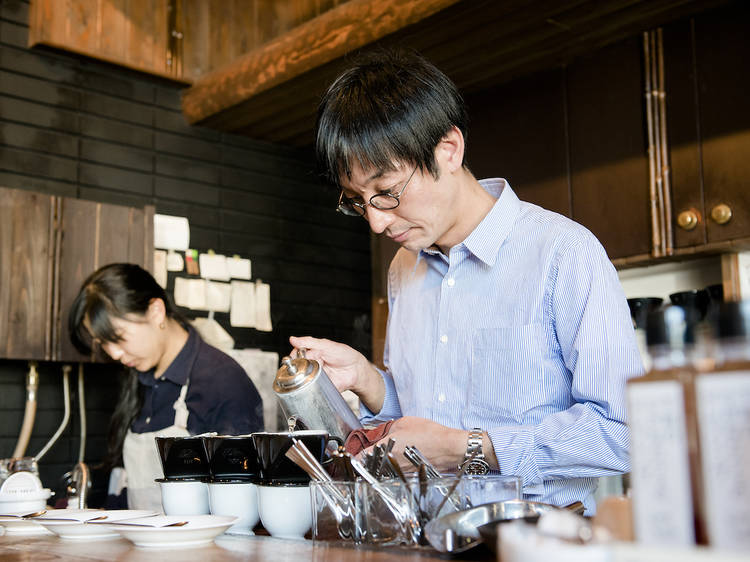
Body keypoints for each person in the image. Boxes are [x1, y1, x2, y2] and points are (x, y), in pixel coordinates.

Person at [290, 49, 644, 513]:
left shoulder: (563, 253)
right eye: (358, 201)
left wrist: (465, 447)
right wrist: (369, 381)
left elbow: (625, 431)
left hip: (540, 540)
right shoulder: (404, 268)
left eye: (387, 192)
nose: (376, 223)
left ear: (448, 150)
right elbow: (428, 417)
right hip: (431, 537)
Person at [69, 263, 264, 511]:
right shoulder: (138, 376)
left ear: (156, 312)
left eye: (118, 337)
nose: (115, 354)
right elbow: (125, 485)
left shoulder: (223, 382)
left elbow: (242, 505)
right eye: (104, 343)